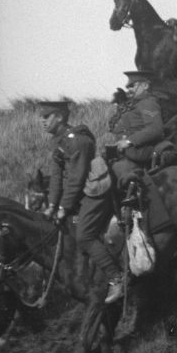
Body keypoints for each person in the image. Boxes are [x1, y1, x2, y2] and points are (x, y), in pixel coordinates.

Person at [36, 100, 129, 302]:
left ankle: (116, 277)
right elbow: (57, 176)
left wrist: (63, 207)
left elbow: (76, 178)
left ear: (59, 117)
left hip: (94, 191)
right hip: (82, 192)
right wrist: (52, 205)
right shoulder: (59, 141)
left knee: (84, 236)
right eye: (41, 117)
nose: (42, 121)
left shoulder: (77, 140)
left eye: (46, 117)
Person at [107, 70, 165, 186]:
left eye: (132, 86)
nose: (129, 89)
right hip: (127, 151)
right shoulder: (136, 104)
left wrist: (129, 141)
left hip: (139, 151)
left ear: (145, 85)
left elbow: (155, 129)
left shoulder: (148, 103)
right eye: (128, 87)